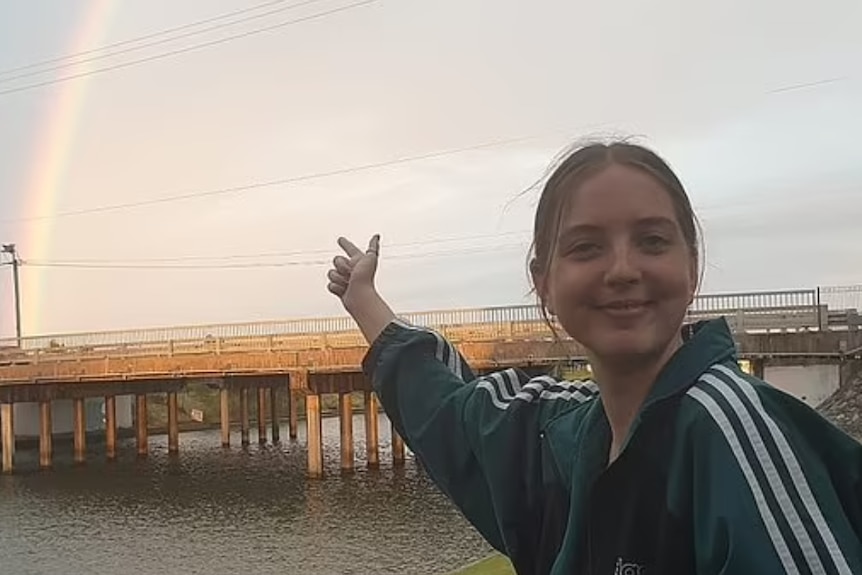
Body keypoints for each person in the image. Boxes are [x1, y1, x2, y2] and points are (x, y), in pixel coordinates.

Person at [325, 141, 862, 574]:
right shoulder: (563, 431)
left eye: (652, 241)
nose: (623, 269)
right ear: (544, 282)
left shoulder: (731, 432)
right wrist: (366, 303)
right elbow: (450, 415)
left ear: (693, 268)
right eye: (586, 247)